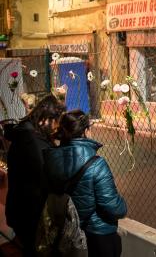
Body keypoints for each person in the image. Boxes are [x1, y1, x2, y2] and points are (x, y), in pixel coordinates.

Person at [44, 109, 127, 257]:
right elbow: (114, 208)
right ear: (86, 131)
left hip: (66, 229)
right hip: (98, 234)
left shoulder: (50, 159)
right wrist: (123, 205)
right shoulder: (97, 164)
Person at [4, 94, 66, 257]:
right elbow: (48, 176)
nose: (57, 127)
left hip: (21, 209)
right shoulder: (32, 142)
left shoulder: (26, 133)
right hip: (31, 214)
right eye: (56, 121)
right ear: (46, 119)